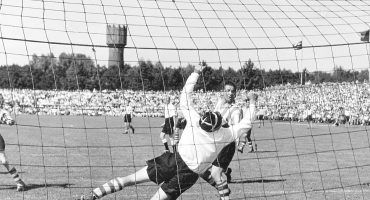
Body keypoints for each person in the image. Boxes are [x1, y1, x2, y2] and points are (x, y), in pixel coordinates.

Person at [77, 66, 255, 200]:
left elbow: (185, 96)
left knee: (129, 179)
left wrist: (195, 73)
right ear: (218, 126)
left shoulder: (194, 121)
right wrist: (253, 103)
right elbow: (246, 124)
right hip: (188, 174)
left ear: (203, 120)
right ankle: (224, 193)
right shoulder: (224, 136)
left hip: (172, 160)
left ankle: (93, 195)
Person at [0, 94, 26, 192]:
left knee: (4, 161)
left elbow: (6, 118)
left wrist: (9, 121)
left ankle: (19, 181)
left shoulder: (2, 112)